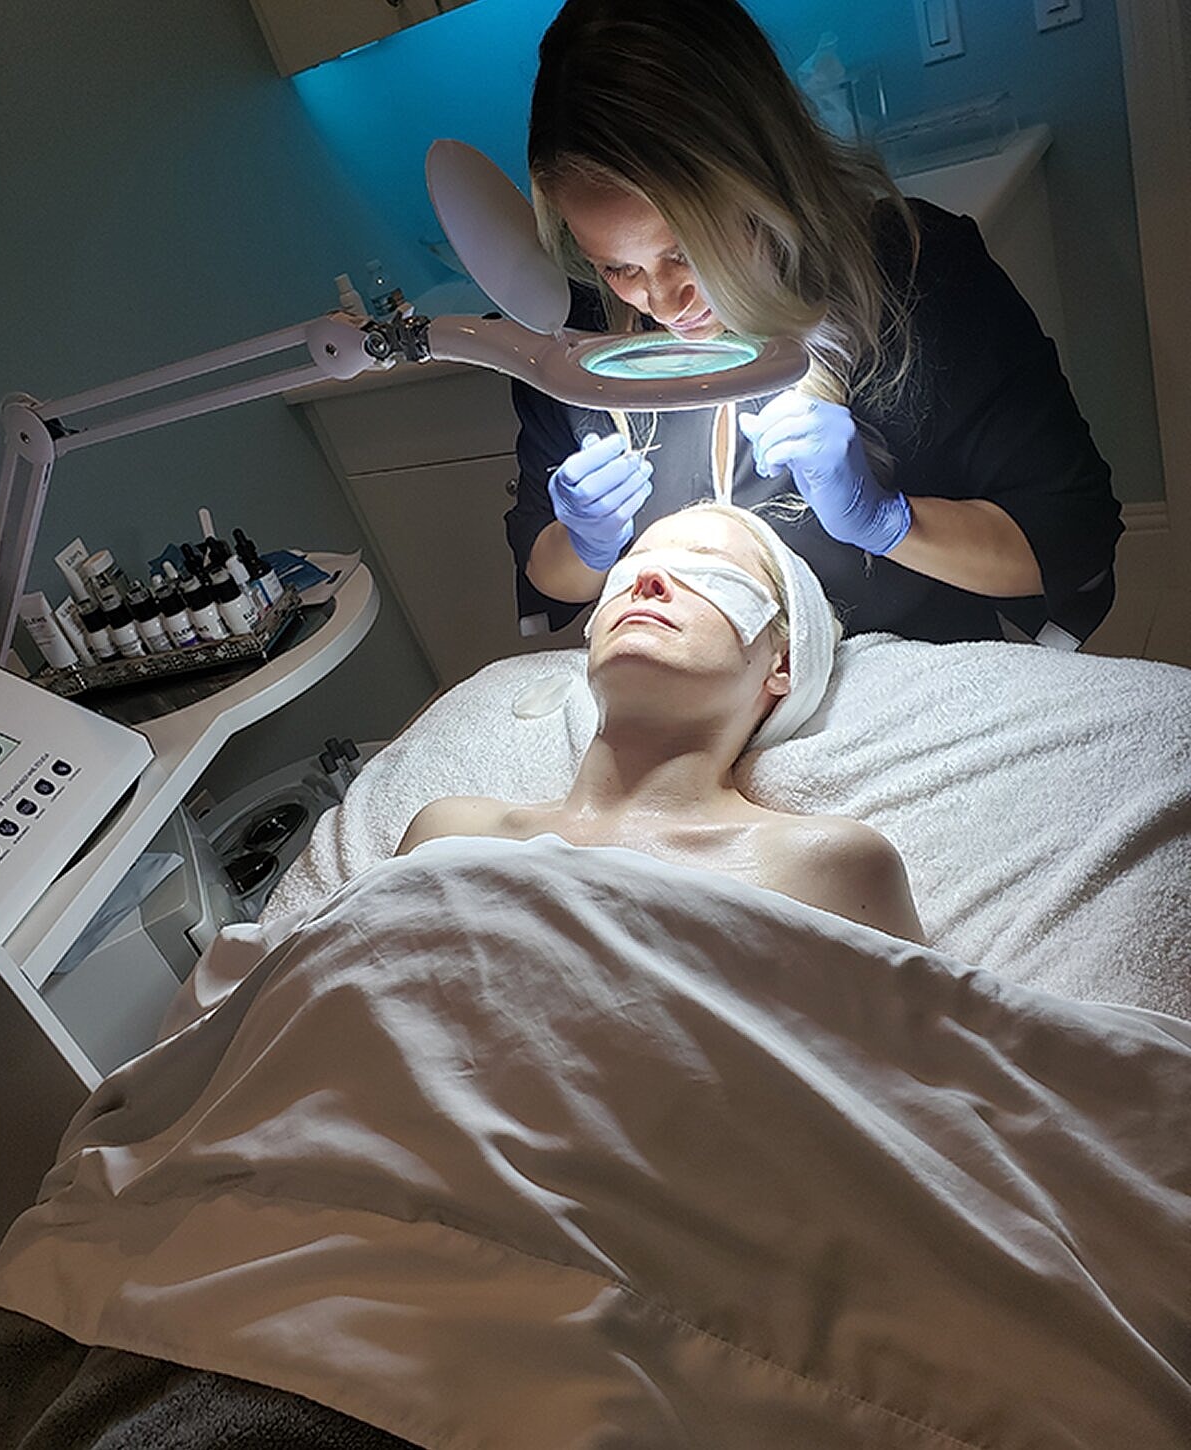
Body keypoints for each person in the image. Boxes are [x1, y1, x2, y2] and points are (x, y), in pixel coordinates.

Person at [505, 0, 1122, 648]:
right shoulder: (579, 346)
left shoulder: (913, 280)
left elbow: (1067, 536)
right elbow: (546, 570)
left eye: (687, 251)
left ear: (766, 182)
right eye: (617, 267)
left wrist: (888, 521)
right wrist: (586, 542)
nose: (661, 301)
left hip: (904, 685)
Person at [400, 501, 924, 943]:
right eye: (631, 568)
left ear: (782, 663)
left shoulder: (826, 868)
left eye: (707, 571)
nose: (648, 580)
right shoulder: (445, 834)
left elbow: (925, 1059)